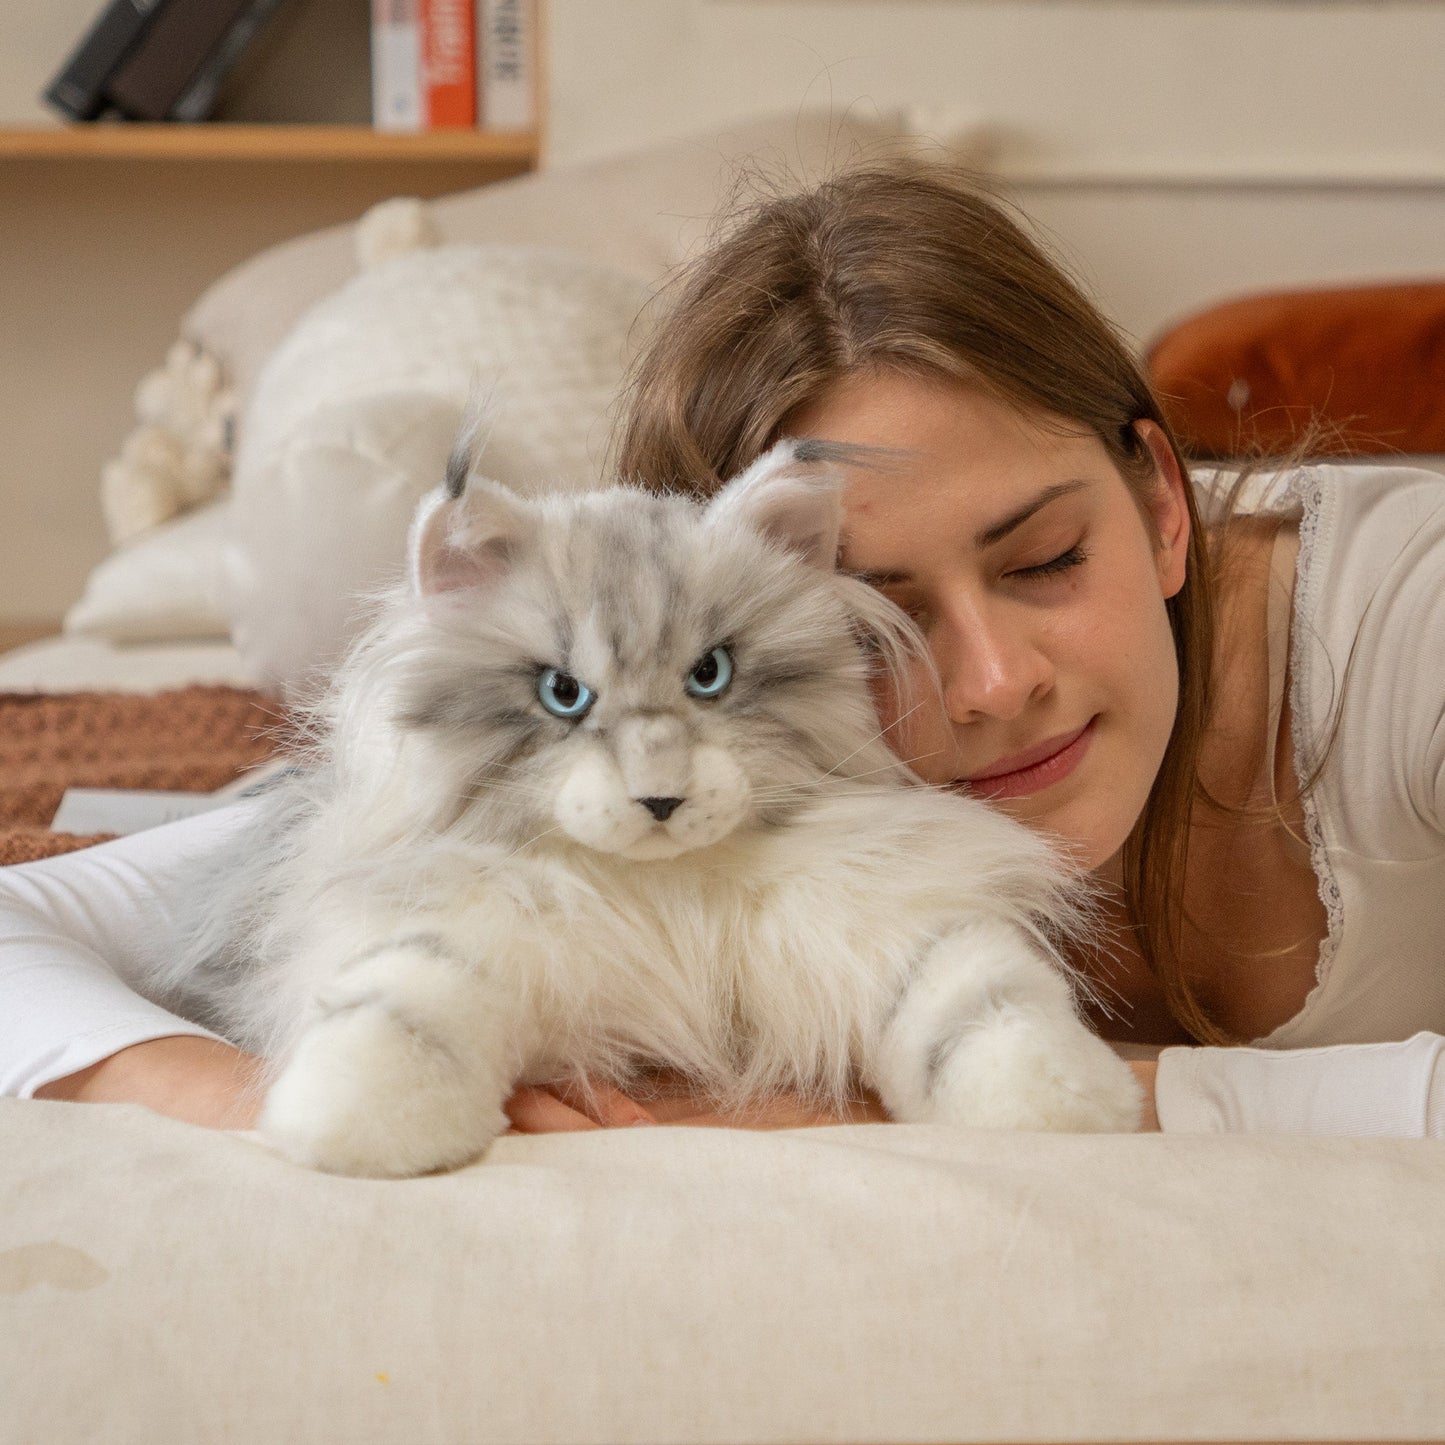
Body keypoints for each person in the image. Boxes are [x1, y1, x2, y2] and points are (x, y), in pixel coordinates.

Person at [4, 160, 1443, 1139]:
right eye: (874, 616)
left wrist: (1080, 1092)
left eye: (1050, 558)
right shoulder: (704, 757)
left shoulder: (1405, 622)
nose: (995, 682)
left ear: (1160, 505)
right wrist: (247, 1088)